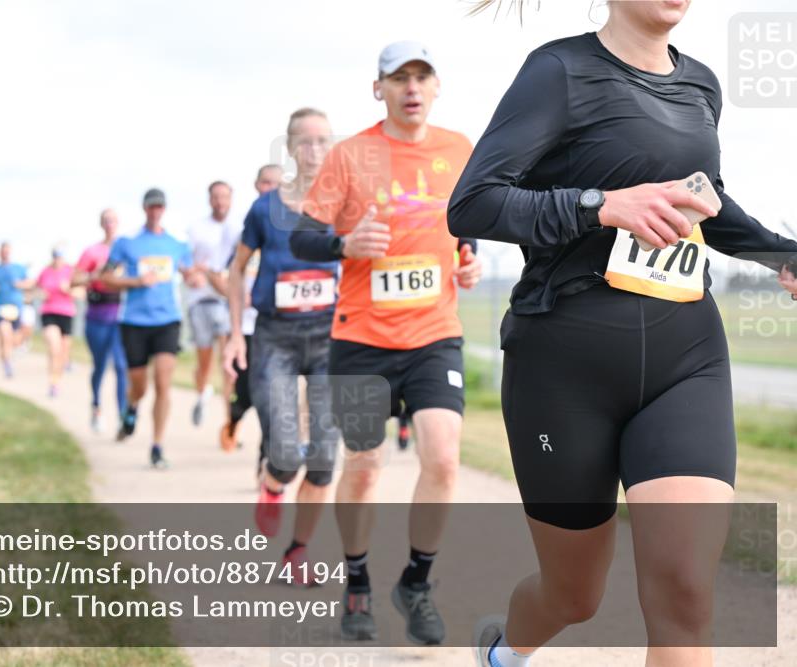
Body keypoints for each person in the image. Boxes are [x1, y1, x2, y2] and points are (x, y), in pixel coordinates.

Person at [448, 2, 797, 666]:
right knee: (573, 594)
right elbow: (474, 202)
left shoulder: (700, 84)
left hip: (685, 355)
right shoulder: (558, 70)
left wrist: (785, 257)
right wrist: (600, 204)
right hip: (564, 362)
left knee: (686, 592)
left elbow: (705, 200)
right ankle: (505, 650)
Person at [290, 42, 483, 644]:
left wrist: (470, 260)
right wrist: (343, 246)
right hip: (361, 339)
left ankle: (417, 582)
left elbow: (469, 223)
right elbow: (302, 237)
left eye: (422, 76)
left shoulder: (460, 149)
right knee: (366, 465)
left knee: (443, 456)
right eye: (399, 78)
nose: (412, 87)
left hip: (433, 335)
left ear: (436, 85)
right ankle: (357, 582)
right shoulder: (351, 155)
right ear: (380, 89)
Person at [224, 109, 340, 583]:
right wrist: (236, 334)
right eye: (305, 142)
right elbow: (235, 271)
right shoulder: (264, 208)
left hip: (332, 336)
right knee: (288, 451)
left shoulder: (344, 203)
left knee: (325, 456)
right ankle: (272, 485)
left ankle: (298, 551)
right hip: (275, 336)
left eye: (322, 141)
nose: (314, 150)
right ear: (290, 148)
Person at [101, 188, 198, 469]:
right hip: (134, 322)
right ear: (144, 209)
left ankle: (157, 446)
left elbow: (189, 273)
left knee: (164, 384)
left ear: (164, 210)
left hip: (167, 320)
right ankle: (131, 408)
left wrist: (194, 278)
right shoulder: (127, 243)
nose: (155, 211)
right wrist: (135, 281)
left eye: (160, 207)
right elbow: (106, 278)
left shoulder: (176, 244)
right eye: (151, 207)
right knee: (140, 386)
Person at [219, 164, 283, 454]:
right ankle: (233, 418)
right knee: (246, 394)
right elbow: (228, 274)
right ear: (257, 185)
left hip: (278, 326)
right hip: (247, 326)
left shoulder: (291, 227)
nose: (270, 189)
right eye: (266, 183)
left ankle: (265, 461)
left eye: (276, 184)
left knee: (274, 397)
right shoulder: (246, 228)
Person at [186, 181, 242, 427]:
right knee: (204, 361)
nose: (220, 201)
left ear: (231, 199)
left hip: (226, 302)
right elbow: (185, 262)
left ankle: (228, 421)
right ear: (210, 199)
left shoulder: (240, 228)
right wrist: (193, 274)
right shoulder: (196, 228)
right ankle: (202, 392)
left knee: (226, 361)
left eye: (224, 197)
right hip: (201, 300)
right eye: (216, 197)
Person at [73, 209, 128, 432]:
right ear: (101, 224)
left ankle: (123, 415)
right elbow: (74, 279)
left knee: (122, 366)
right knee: (100, 366)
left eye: (114, 220)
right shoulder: (91, 251)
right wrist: (94, 275)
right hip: (97, 315)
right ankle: (96, 406)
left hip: (121, 315)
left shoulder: (125, 249)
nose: (110, 224)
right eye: (106, 221)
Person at [0, 242, 35, 378]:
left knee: (12, 340)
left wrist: (21, 284)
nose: (5, 253)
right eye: (3, 251)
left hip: (16, 308)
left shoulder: (18, 268)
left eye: (7, 251)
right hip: (0, 308)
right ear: (0, 252)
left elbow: (31, 282)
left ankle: (7, 356)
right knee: (6, 335)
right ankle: (7, 365)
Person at [37, 248, 75, 397]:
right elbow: (36, 289)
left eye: (59, 256)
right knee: (54, 348)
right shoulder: (45, 272)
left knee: (62, 353)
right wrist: (40, 294)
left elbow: (82, 292)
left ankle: (57, 380)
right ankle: (53, 383)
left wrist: (69, 290)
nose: (57, 259)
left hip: (66, 313)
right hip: (49, 312)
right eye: (55, 256)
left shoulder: (71, 271)